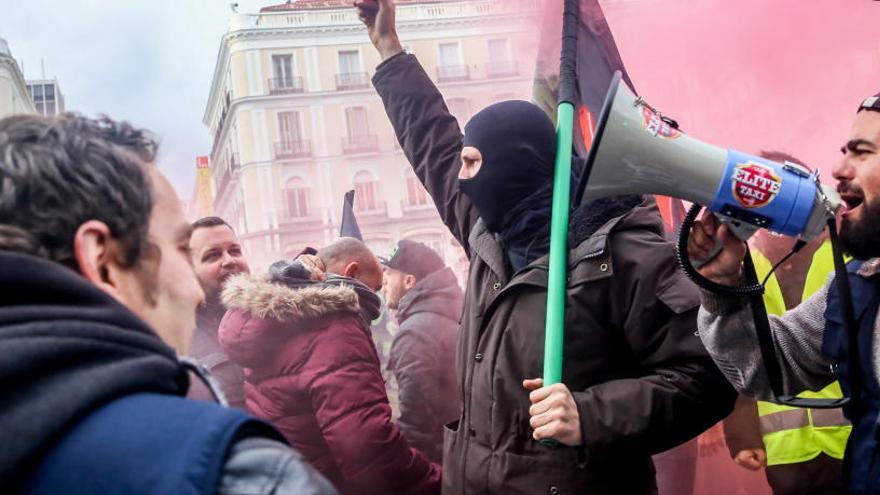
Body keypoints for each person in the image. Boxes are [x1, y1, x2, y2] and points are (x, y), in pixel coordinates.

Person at [357, 1, 737, 493]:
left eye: (472, 163)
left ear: (513, 165)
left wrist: (590, 414)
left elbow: (708, 377)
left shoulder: (624, 252)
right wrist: (389, 49)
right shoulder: (487, 233)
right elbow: (432, 142)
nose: (460, 178)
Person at [0, 114, 336, 494]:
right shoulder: (236, 472)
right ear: (104, 263)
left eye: (235, 250)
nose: (193, 292)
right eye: (181, 250)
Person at [689, 93, 880, 494]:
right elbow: (765, 367)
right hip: (796, 461)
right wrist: (722, 288)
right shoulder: (859, 282)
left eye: (861, 152)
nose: (838, 170)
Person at [218, 237, 442, 495]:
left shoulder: (273, 320)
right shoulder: (335, 326)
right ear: (351, 273)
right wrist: (438, 482)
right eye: (375, 287)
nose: (376, 300)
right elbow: (368, 450)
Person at [719, 153, 849, 495]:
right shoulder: (742, 266)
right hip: (785, 454)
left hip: (857, 440)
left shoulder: (848, 253)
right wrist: (742, 433)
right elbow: (735, 359)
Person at [382, 239, 464, 463]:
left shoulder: (415, 333)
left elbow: (416, 425)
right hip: (463, 459)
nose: (383, 283)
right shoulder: (454, 314)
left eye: (389, 274)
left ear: (409, 281)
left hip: (438, 465)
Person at [187, 216, 250, 409]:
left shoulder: (273, 315)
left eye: (234, 251)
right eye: (213, 255)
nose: (229, 260)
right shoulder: (178, 341)